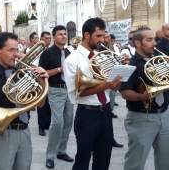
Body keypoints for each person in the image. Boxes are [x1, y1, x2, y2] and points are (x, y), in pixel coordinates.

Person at [0, 32, 48, 170]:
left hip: (24, 132)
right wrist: (7, 114)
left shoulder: (23, 73)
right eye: (11, 50)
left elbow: (40, 104)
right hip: (1, 134)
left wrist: (42, 82)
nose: (16, 54)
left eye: (17, 50)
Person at [64, 17, 122, 170]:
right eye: (98, 36)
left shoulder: (102, 56)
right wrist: (106, 85)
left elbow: (113, 87)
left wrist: (120, 74)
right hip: (87, 115)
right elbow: (77, 94)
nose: (102, 40)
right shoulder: (72, 60)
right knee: (82, 160)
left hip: (106, 112)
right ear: (86, 35)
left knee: (104, 159)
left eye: (104, 35)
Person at [120, 26, 169, 170]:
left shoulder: (160, 60)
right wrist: (142, 96)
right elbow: (124, 92)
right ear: (137, 43)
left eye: (154, 39)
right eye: (149, 40)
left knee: (165, 161)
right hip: (141, 118)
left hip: (164, 115)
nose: (154, 43)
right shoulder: (130, 65)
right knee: (136, 162)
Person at [39, 25, 74, 169]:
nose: (64, 36)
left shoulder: (69, 52)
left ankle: (61, 151)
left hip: (69, 90)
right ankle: (50, 155)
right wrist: (60, 69)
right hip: (55, 90)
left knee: (68, 122)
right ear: (54, 37)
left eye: (65, 34)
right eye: (60, 34)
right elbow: (41, 72)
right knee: (57, 122)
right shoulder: (47, 53)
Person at [36, 31, 52, 136]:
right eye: (46, 38)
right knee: (41, 105)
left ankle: (46, 124)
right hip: (38, 79)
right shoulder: (36, 50)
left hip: (49, 79)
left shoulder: (50, 51)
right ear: (41, 38)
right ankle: (41, 127)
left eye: (50, 38)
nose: (48, 40)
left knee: (49, 104)